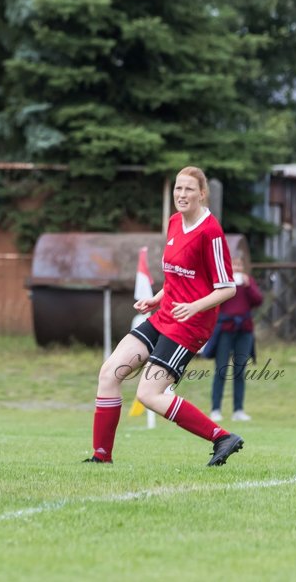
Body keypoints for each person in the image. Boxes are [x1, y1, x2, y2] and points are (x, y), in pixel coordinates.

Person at [88, 167, 244, 467]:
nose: (181, 195)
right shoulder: (174, 222)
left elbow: (227, 288)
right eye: (178, 189)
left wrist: (194, 307)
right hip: (164, 315)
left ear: (202, 194)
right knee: (110, 373)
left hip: (190, 325)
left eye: (188, 189)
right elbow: (177, 278)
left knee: (149, 393)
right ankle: (101, 457)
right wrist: (156, 299)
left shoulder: (210, 232)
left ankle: (222, 437)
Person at [208, 256, 263, 422]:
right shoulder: (222, 283)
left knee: (239, 370)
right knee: (221, 370)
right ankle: (215, 409)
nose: (237, 268)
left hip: (244, 330)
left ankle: (238, 410)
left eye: (239, 265)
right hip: (225, 329)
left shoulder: (248, 282)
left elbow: (258, 300)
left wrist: (248, 286)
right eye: (234, 265)